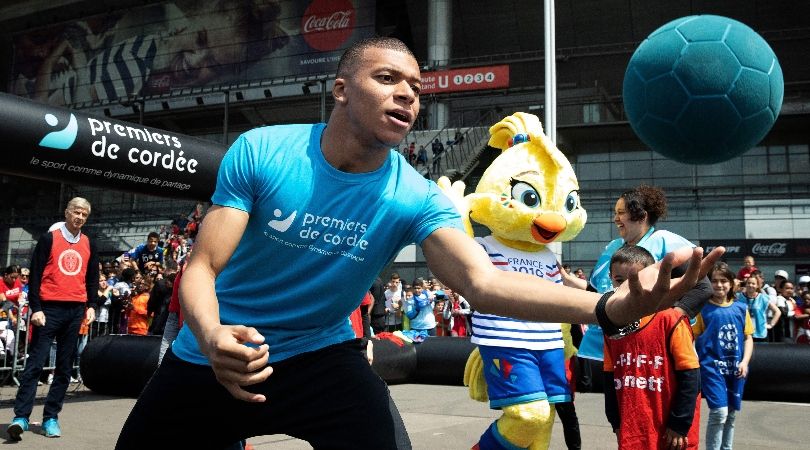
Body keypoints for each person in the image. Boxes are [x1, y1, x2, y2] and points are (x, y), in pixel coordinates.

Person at [114, 37, 722, 449]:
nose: (407, 93)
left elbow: (481, 281)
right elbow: (202, 267)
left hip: (319, 356)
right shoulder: (263, 150)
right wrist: (214, 335)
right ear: (342, 89)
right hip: (213, 356)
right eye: (387, 79)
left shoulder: (415, 196)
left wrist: (609, 308)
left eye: (415, 86)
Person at [571, 185, 713, 364]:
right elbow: (593, 291)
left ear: (642, 216)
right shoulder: (612, 248)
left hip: (652, 353)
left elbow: (702, 288)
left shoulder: (666, 242)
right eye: (615, 212)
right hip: (600, 352)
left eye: (621, 212)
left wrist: (669, 320)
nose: (615, 218)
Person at [7, 197, 99, 441]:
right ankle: (21, 417)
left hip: (75, 311)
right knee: (35, 364)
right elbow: (35, 275)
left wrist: (92, 305)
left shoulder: (89, 243)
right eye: (76, 212)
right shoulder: (50, 239)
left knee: (64, 368)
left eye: (84, 215)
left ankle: (50, 418)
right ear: (67, 213)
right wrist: (35, 307)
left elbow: (92, 277)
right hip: (48, 310)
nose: (79, 217)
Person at [603, 246, 701, 450]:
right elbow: (609, 378)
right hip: (633, 432)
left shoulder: (670, 319)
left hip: (671, 434)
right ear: (611, 279)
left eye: (636, 278)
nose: (629, 286)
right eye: (619, 280)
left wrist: (679, 424)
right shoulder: (611, 324)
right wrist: (616, 422)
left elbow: (691, 376)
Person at [693, 262, 754, 450]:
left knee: (731, 413)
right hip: (712, 368)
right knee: (719, 412)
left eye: (723, 281)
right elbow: (691, 338)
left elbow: (748, 338)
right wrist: (694, 361)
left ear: (732, 283)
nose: (719, 285)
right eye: (715, 281)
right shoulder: (703, 309)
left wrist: (744, 362)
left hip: (736, 369)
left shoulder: (741, 309)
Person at [735, 276, 779, 343]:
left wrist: (771, 325)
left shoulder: (763, 298)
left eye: (753, 283)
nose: (750, 285)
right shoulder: (738, 297)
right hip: (743, 333)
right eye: (748, 283)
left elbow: (777, 312)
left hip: (760, 334)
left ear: (757, 286)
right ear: (746, 284)